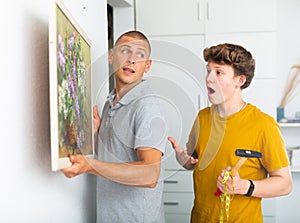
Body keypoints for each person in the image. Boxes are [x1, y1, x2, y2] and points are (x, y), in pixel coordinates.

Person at [168, 43, 292, 222]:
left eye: (218, 72)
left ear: (239, 80)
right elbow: (193, 161)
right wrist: (182, 159)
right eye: (208, 71)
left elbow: (285, 184)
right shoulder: (202, 117)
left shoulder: (264, 125)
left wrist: (245, 187)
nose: (209, 78)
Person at [62, 30, 168, 223]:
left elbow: (149, 175)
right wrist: (97, 133)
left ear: (147, 65)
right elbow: (117, 154)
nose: (132, 60)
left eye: (140, 55)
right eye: (125, 51)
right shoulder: (110, 101)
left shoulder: (148, 105)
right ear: (112, 56)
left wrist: (89, 166)